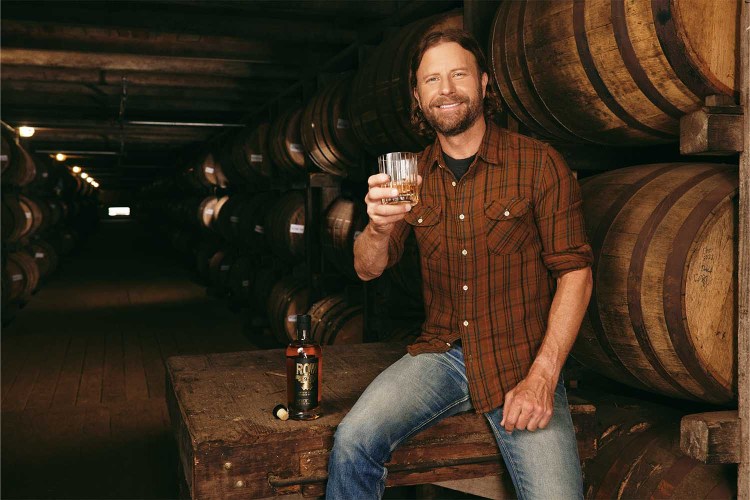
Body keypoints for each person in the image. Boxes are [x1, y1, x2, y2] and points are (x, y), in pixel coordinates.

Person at [327, 28, 594, 500]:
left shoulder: (538, 165)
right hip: (442, 356)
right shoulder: (410, 174)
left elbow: (576, 273)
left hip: (521, 358)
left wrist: (543, 378)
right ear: (417, 95)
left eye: (457, 75)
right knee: (353, 441)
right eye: (431, 80)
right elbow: (367, 269)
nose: (445, 90)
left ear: (484, 83)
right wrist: (378, 229)